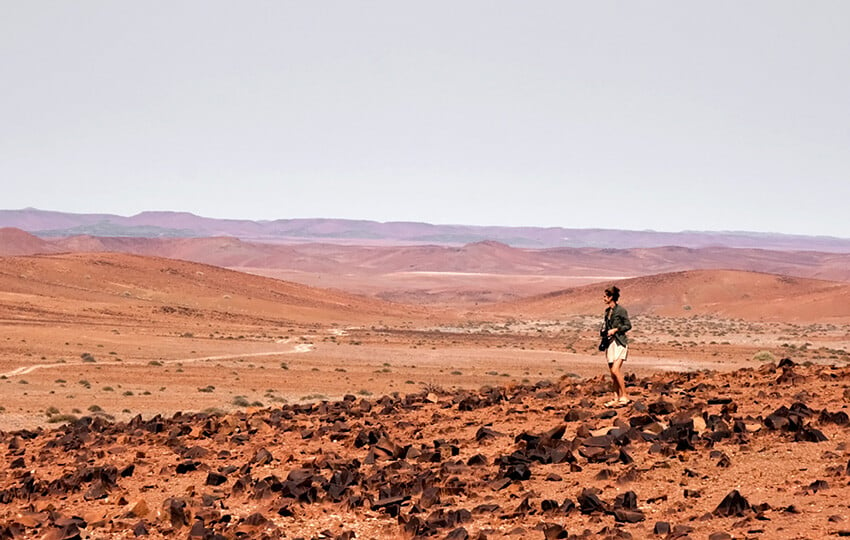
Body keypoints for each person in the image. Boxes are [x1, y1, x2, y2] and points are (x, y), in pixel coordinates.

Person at [601, 285, 631, 407]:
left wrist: (616, 329)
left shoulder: (621, 310)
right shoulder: (608, 312)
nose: (603, 299)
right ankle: (615, 397)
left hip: (620, 343)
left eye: (605, 296)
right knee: (612, 373)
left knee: (615, 370)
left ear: (611, 297)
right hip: (610, 343)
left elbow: (628, 325)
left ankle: (624, 395)